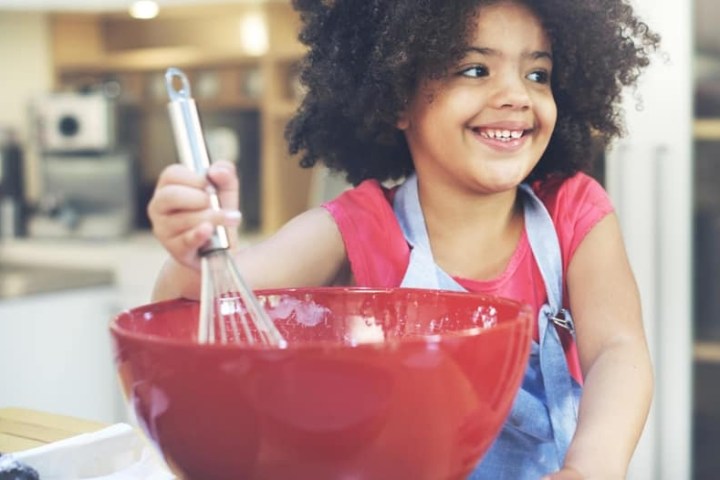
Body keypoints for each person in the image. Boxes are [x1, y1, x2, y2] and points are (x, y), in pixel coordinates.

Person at [148, 0, 660, 478]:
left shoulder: (573, 210)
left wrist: (588, 469)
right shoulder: (355, 228)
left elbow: (618, 350)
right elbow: (202, 308)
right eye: (475, 69)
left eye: (537, 74)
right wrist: (197, 254)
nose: (516, 96)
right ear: (397, 98)